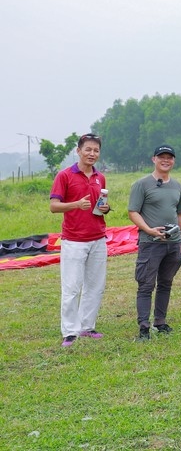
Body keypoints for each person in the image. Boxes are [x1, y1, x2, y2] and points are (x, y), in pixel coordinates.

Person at [50, 133, 111, 348]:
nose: (92, 154)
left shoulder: (99, 177)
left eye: (96, 150)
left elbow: (100, 205)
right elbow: (54, 206)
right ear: (78, 151)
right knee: (72, 287)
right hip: (74, 240)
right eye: (88, 149)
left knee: (95, 286)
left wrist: (106, 208)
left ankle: (87, 326)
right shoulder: (65, 176)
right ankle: (69, 331)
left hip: (97, 237)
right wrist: (75, 204)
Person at [127, 144, 181, 341]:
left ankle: (160, 322)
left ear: (174, 161)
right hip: (150, 242)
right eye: (162, 157)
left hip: (173, 243)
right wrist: (148, 230)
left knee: (166, 283)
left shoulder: (177, 186)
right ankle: (144, 326)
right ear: (154, 159)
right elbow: (133, 211)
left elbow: (180, 214)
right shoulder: (142, 185)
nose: (166, 160)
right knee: (145, 285)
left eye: (170, 157)